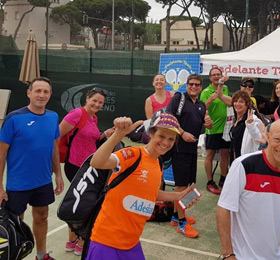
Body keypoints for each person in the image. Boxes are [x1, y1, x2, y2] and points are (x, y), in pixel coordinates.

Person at [87, 113, 194, 260]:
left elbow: (151, 193)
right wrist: (118, 135)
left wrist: (178, 196)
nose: (165, 142)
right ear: (151, 133)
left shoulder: (158, 163)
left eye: (171, 139)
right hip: (106, 241)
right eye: (161, 136)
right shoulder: (133, 154)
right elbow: (96, 162)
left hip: (131, 243)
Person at [217, 119, 280, 260]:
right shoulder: (243, 165)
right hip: (241, 256)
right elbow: (224, 208)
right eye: (277, 139)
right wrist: (228, 254)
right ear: (268, 137)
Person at [0, 77, 64, 260]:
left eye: (46, 91)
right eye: (38, 91)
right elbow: (1, 154)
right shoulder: (14, 118)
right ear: (29, 93)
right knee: (13, 224)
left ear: (50, 94)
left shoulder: (53, 117)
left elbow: (54, 148)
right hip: (18, 184)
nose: (41, 95)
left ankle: (41, 255)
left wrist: (58, 174)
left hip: (43, 181)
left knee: (42, 216)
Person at [58, 87, 114, 255]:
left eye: (100, 103)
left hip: (89, 165)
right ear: (87, 98)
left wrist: (105, 134)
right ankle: (80, 241)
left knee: (79, 201)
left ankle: (74, 240)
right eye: (94, 100)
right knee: (85, 202)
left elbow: (91, 138)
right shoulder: (77, 113)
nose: (97, 104)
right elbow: (57, 134)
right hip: (75, 166)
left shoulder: (93, 117)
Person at [166, 74, 213, 238]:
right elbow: (169, 119)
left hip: (192, 150)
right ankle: (181, 223)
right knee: (180, 186)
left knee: (187, 185)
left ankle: (175, 216)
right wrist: (183, 133)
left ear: (201, 87)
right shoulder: (178, 99)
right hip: (179, 148)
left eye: (197, 85)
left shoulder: (200, 105)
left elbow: (202, 124)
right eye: (191, 84)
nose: (194, 87)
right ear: (187, 85)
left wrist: (208, 124)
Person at [200, 68, 231, 194]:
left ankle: (223, 179)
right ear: (210, 78)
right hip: (212, 129)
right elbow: (202, 108)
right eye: (214, 75)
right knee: (210, 155)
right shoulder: (205, 92)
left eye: (218, 74)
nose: (217, 77)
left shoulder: (225, 88)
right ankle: (210, 182)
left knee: (225, 154)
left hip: (226, 128)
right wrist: (210, 100)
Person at [229, 90, 263, 160]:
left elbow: (258, 138)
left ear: (247, 104)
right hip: (235, 161)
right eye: (235, 101)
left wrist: (251, 126)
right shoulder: (236, 120)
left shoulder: (253, 119)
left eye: (241, 102)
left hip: (246, 161)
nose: (237, 104)